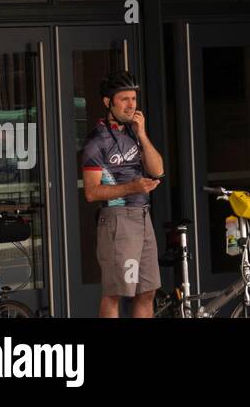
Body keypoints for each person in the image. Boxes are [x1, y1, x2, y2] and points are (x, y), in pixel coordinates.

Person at [80, 70, 164, 318]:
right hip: (117, 219)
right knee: (116, 292)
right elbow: (91, 192)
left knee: (147, 291)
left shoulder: (133, 132)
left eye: (134, 99)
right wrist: (132, 187)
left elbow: (158, 170)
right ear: (108, 102)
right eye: (124, 99)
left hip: (142, 216)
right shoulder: (96, 140)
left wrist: (143, 135)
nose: (131, 105)